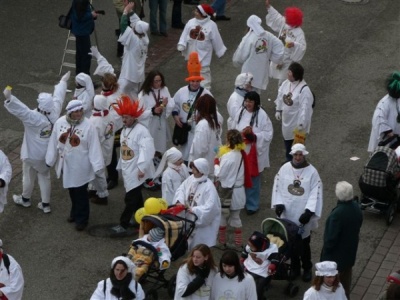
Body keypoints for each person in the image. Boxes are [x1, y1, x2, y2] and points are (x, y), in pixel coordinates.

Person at [3, 73, 69, 214]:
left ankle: (25, 199)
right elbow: (59, 98)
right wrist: (62, 82)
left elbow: (21, 110)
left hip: (31, 154)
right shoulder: (54, 113)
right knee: (44, 176)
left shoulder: (32, 118)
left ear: (39, 104)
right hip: (46, 155)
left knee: (28, 175)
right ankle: (46, 205)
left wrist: (9, 98)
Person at [46, 100, 105, 231]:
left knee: (80, 192)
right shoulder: (60, 122)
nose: (79, 114)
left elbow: (94, 146)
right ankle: (75, 211)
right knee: (72, 190)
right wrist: (50, 159)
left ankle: (82, 219)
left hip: (80, 165)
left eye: (80, 111)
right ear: (70, 112)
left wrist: (97, 165)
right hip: (65, 165)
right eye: (76, 111)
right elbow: (53, 141)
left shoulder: (89, 125)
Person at [271, 143, 323, 282]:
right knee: (290, 243)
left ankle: (306, 267)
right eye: (296, 155)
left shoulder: (312, 172)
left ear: (304, 155)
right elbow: (278, 186)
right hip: (288, 214)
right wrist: (278, 202)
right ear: (292, 155)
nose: (298, 157)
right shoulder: (284, 168)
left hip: (302, 215)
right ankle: (295, 267)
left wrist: (309, 211)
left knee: (304, 244)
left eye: (300, 155)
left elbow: (315, 192)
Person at [110, 95, 155, 237]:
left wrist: (142, 168)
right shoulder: (124, 129)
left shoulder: (142, 131)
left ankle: (123, 224)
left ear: (134, 117)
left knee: (130, 198)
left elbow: (147, 150)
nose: (124, 120)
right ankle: (143, 219)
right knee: (136, 199)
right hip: (128, 169)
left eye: (127, 117)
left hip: (136, 170)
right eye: (123, 117)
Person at [232, 91, 273, 215]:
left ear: (256, 102)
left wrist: (254, 136)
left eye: (250, 101)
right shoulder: (241, 112)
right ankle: (240, 202)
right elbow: (233, 126)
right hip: (240, 150)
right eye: (246, 101)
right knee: (239, 177)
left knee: (253, 178)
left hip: (253, 152)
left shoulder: (262, 115)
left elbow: (268, 134)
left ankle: (252, 205)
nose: (248, 103)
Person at [320, 181, 363, 299]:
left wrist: (325, 255)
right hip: (349, 255)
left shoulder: (337, 214)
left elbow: (330, 240)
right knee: (345, 285)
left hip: (335, 259)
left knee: (331, 288)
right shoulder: (356, 207)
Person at [172, 51, 212, 164]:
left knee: (197, 156)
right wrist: (175, 116)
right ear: (189, 80)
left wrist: (204, 116)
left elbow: (213, 111)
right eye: (192, 81)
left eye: (197, 81)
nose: (195, 83)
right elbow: (174, 105)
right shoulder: (181, 92)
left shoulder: (206, 94)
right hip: (185, 130)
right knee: (185, 156)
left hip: (199, 131)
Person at [173, 158, 221, 249]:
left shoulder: (209, 188)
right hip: (190, 217)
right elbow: (181, 189)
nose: (192, 171)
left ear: (201, 171)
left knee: (199, 247)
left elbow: (211, 208)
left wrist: (194, 210)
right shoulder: (192, 178)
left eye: (195, 169)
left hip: (201, 225)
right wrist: (179, 200)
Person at [138, 70, 174, 189]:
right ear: (150, 81)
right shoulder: (143, 94)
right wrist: (152, 111)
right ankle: (148, 177)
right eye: (155, 81)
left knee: (159, 149)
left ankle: (157, 175)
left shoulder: (165, 90)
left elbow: (171, 104)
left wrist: (166, 105)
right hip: (149, 125)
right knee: (149, 150)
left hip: (161, 124)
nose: (158, 83)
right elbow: (139, 112)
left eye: (160, 81)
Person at [177, 4, 227, 90]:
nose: (194, 12)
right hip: (192, 57)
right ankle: (193, 92)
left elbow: (216, 38)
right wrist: (182, 44)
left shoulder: (212, 25)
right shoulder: (191, 22)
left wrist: (220, 50)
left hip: (204, 56)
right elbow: (185, 34)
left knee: (204, 77)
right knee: (193, 77)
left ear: (203, 14)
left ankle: (205, 93)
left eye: (197, 11)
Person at [214, 129, 250, 249]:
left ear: (229, 140)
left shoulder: (228, 157)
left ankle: (221, 242)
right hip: (239, 192)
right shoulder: (241, 153)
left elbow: (220, 175)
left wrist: (216, 164)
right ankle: (238, 244)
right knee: (236, 217)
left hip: (227, 193)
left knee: (222, 217)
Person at [233, 15, 284, 94]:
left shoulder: (249, 37)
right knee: (255, 95)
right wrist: (270, 57)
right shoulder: (268, 35)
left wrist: (236, 62)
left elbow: (240, 56)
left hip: (247, 73)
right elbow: (279, 47)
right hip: (261, 73)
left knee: (243, 95)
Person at [274, 62, 313, 162]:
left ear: (296, 75)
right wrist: (278, 109)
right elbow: (280, 95)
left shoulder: (304, 90)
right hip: (286, 122)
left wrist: (301, 124)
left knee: (297, 149)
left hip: (297, 126)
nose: (287, 73)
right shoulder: (286, 83)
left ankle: (294, 163)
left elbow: (305, 108)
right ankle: (289, 161)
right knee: (287, 144)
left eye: (290, 72)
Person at [265, 0, 306, 86]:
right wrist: (269, 7)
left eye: (288, 18)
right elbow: (277, 17)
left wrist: (294, 45)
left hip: (288, 61)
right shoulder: (286, 24)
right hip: (279, 56)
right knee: (280, 80)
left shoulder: (299, 33)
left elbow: (302, 47)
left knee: (284, 82)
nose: (286, 19)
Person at [118, 2, 150, 98]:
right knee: (134, 97)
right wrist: (130, 10)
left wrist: (125, 12)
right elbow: (137, 21)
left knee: (119, 96)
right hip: (138, 76)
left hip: (127, 75)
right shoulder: (144, 38)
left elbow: (123, 26)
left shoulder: (133, 39)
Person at [88, 95, 115, 205]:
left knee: (98, 173)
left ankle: (103, 195)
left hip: (98, 151)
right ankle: (93, 189)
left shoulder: (95, 121)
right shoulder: (109, 116)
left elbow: (93, 139)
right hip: (107, 147)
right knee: (98, 171)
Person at [189, 94, 221, 178]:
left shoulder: (203, 125)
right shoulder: (214, 121)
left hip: (202, 168)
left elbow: (200, 149)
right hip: (212, 163)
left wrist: (194, 164)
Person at [240, 231, 279, 300]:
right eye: (249, 245)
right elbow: (245, 251)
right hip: (250, 262)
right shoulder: (250, 246)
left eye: (251, 246)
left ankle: (259, 297)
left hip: (263, 268)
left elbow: (275, 259)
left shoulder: (269, 251)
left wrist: (272, 265)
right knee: (239, 271)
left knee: (259, 286)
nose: (249, 247)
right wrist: (243, 257)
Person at [368, 71, 400, 152]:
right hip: (388, 141)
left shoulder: (396, 100)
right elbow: (379, 120)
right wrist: (393, 136)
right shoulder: (384, 104)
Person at [70, 0, 97, 75]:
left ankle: (79, 77)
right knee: (85, 56)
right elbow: (80, 17)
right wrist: (91, 15)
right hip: (82, 31)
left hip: (79, 31)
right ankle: (85, 79)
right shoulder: (81, 1)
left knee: (80, 55)